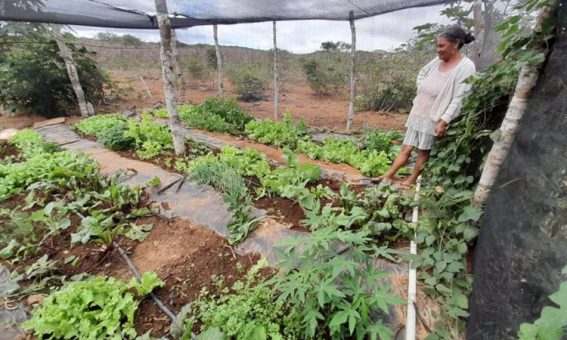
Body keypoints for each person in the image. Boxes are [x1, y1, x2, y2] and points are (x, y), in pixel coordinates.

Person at [378, 25, 476, 188]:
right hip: (419, 110)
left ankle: (411, 180)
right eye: (437, 46)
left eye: (441, 46)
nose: (438, 50)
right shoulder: (437, 60)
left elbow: (459, 98)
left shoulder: (466, 67)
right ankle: (388, 176)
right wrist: (423, 87)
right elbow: (422, 73)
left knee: (424, 151)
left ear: (456, 44)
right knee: (406, 147)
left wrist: (444, 121)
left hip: (434, 115)